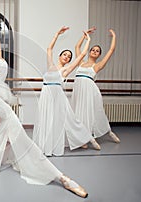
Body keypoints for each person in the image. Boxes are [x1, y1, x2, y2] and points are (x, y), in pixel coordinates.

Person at [32, 26, 100, 156]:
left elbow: (81, 56)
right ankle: (45, 147)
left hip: (57, 96)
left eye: (69, 57)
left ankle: (88, 138)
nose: (67, 57)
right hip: (46, 95)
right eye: (65, 55)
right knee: (46, 120)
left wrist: (88, 40)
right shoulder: (50, 65)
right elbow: (49, 49)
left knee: (69, 120)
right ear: (60, 56)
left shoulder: (66, 70)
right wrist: (57, 34)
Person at [71, 28, 120, 144]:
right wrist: (85, 36)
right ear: (89, 51)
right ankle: (82, 138)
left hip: (90, 91)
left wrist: (114, 37)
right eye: (92, 49)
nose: (94, 51)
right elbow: (77, 47)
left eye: (97, 51)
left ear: (99, 55)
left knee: (94, 113)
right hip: (79, 91)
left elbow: (111, 50)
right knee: (79, 113)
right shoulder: (81, 63)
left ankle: (107, 132)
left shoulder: (97, 65)